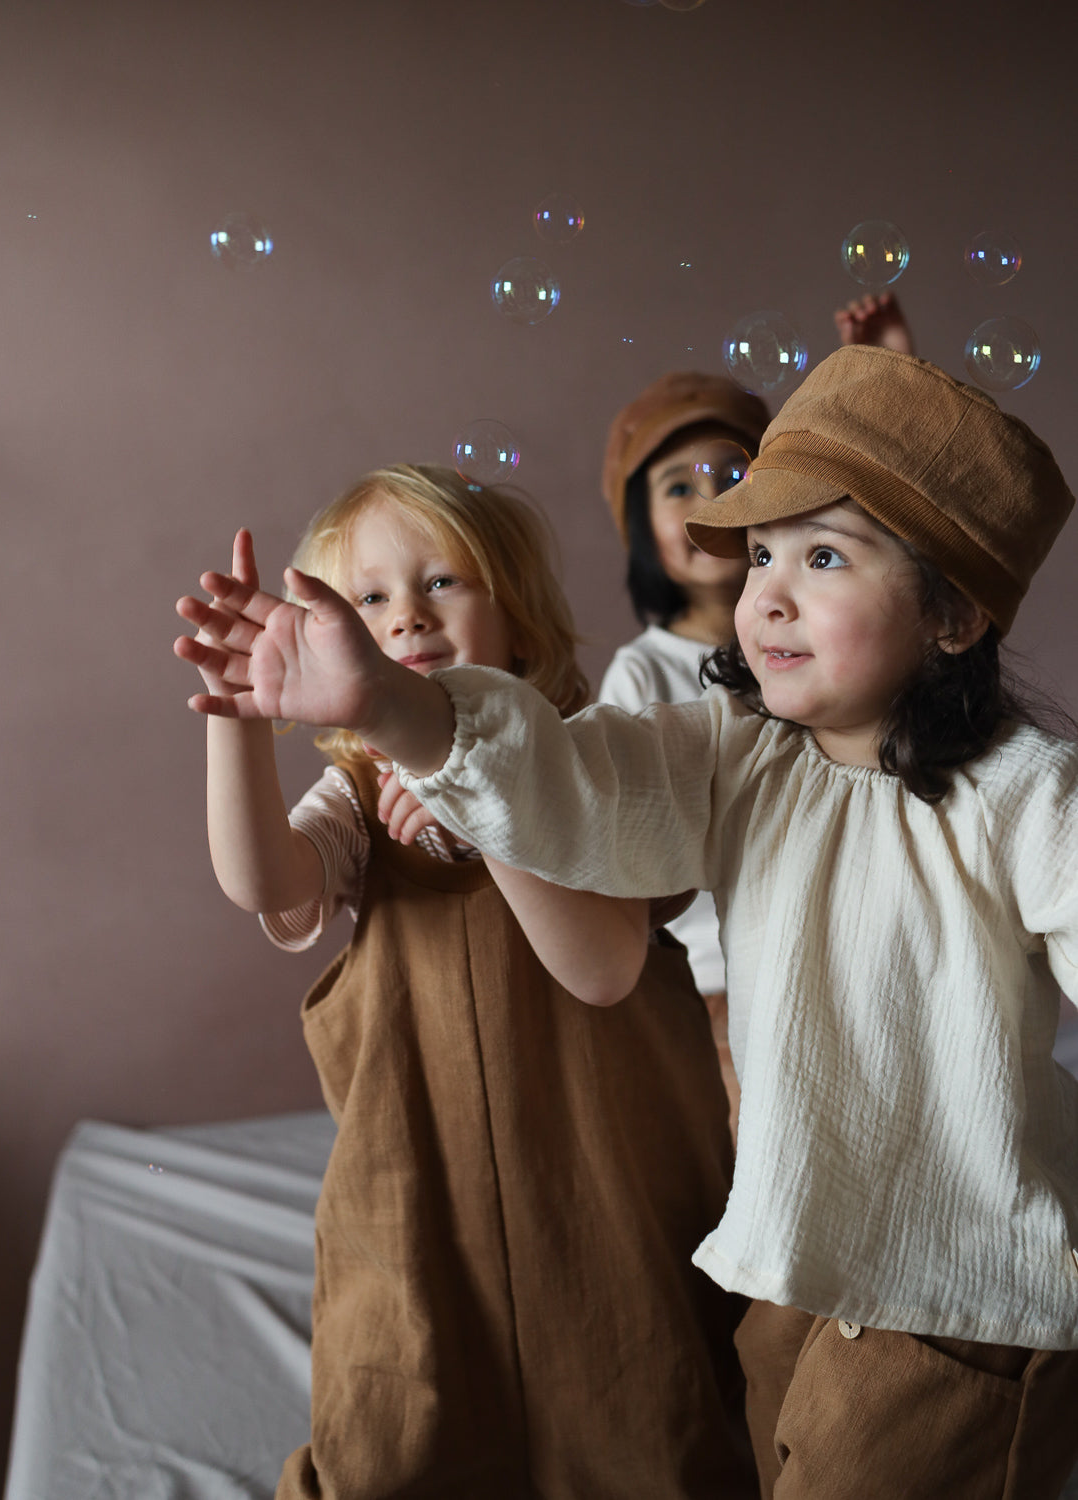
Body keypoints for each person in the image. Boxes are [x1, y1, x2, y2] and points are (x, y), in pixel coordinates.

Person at [176, 351, 1078, 1498]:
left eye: (824, 556)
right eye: (759, 557)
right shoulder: (730, 749)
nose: (770, 595)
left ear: (951, 612)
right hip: (793, 1269)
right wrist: (390, 711)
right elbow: (568, 785)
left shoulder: (1030, 796)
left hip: (959, 1294)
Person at [176, 464, 755, 1499]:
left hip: (608, 1179)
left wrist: (485, 803)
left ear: (521, 626)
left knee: (647, 1408)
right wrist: (236, 722)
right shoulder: (356, 792)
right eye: (371, 598)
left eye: (444, 583)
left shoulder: (602, 761)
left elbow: (605, 971)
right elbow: (263, 878)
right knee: (404, 1407)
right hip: (420, 1180)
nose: (407, 616)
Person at [598, 296, 915, 1137]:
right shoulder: (643, 674)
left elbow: (908, 530)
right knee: (759, 1140)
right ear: (639, 526)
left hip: (847, 950)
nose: (709, 496)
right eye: (677, 485)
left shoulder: (829, 648)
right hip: (717, 975)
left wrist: (883, 373)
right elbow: (627, 834)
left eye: (732, 476)